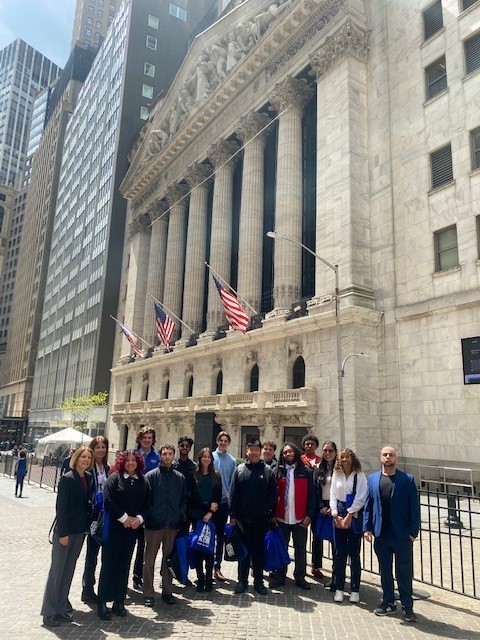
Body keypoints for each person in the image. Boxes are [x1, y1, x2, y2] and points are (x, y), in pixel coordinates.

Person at [363, 445, 420, 623]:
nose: (388, 457)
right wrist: (367, 528)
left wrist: (413, 532)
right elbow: (368, 505)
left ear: (396, 458)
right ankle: (388, 602)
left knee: (404, 572)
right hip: (382, 534)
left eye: (391, 455)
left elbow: (414, 508)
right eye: (385, 455)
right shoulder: (372, 479)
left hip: (402, 535)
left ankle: (407, 606)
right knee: (385, 571)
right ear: (380, 457)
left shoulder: (407, 480)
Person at [40, 446, 94, 628]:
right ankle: (49, 613)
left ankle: (61, 608)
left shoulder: (88, 478)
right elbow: (61, 508)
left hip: (80, 532)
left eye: (88, 457)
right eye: (83, 457)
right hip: (65, 532)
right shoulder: (67, 478)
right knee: (57, 572)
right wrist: (63, 533)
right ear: (76, 458)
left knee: (68, 571)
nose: (85, 460)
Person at [97, 450, 150, 620]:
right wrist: (124, 518)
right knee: (109, 565)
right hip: (115, 528)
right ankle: (102, 602)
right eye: (127, 460)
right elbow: (108, 501)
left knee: (124, 565)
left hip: (132, 530)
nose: (131, 463)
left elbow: (149, 503)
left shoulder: (143, 480)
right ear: (122, 462)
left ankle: (119, 601)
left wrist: (139, 519)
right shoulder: (115, 478)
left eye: (134, 460)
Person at [229, 438, 277, 595]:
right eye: (252, 450)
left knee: (258, 552)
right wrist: (232, 514)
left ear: (260, 452)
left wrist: (266, 510)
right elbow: (233, 493)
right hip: (242, 520)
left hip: (260, 519)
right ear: (247, 452)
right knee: (243, 552)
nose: (255, 452)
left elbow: (273, 494)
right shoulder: (240, 470)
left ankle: (258, 581)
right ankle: (242, 581)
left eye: (257, 449)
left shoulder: (268, 471)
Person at [143, 444, 186, 606]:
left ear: (173, 456)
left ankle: (167, 590)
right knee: (150, 559)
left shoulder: (179, 478)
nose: (167, 456)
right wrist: (151, 514)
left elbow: (183, 500)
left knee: (168, 559)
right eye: (164, 454)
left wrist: (179, 513)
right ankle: (148, 592)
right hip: (154, 524)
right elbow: (146, 500)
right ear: (160, 456)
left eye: (170, 454)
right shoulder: (151, 476)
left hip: (171, 524)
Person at [270, 442, 315, 590]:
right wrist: (272, 514)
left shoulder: (307, 471)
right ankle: (280, 576)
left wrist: (309, 515)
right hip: (281, 518)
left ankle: (300, 577)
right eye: (284, 453)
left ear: (295, 452)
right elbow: (271, 495)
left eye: (290, 452)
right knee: (281, 548)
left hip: (300, 518)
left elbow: (312, 496)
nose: (287, 455)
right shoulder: (277, 471)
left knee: (300, 549)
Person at [330, 448, 367, 604]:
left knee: (354, 555)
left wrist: (350, 515)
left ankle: (355, 589)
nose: (344, 460)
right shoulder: (336, 474)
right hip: (339, 513)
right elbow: (332, 494)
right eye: (342, 457)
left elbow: (362, 496)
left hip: (353, 514)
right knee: (339, 554)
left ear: (352, 458)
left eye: (347, 457)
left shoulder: (359, 475)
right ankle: (339, 588)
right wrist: (334, 514)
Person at [81, 436, 110, 604]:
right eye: (97, 447)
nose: (101, 450)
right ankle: (87, 588)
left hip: (104, 515)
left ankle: (99, 587)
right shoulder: (88, 468)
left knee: (100, 553)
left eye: (103, 447)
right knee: (91, 554)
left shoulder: (107, 468)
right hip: (92, 516)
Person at [189, 447, 221, 592]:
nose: (206, 459)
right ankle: (200, 578)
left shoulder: (216, 476)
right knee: (197, 548)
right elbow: (192, 496)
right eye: (204, 457)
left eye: (209, 457)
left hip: (211, 517)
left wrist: (210, 512)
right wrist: (207, 506)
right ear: (200, 458)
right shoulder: (194, 475)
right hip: (197, 515)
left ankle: (209, 579)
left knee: (209, 550)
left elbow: (217, 497)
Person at [132, 426, 160, 590]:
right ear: (139, 439)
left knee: (143, 545)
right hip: (132, 503)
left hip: (148, 506)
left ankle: (138, 576)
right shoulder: (131, 456)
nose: (147, 440)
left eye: (150, 437)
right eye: (144, 437)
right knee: (128, 544)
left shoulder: (156, 457)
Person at [212, 430, 236, 582]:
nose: (223, 443)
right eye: (221, 440)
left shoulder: (232, 460)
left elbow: (232, 483)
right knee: (206, 534)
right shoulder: (210, 457)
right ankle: (206, 565)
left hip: (223, 502)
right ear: (217, 441)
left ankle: (217, 566)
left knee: (220, 536)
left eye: (225, 441)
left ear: (228, 443)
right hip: (209, 503)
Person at [312, 441, 338, 583]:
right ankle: (316, 566)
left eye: (330, 451)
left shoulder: (340, 468)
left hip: (335, 508)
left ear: (335, 452)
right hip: (321, 508)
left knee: (336, 542)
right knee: (317, 537)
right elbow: (315, 489)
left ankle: (336, 573)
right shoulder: (318, 468)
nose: (328, 453)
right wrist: (321, 506)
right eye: (325, 451)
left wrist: (333, 507)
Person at [174, 435, 197, 536]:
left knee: (185, 535)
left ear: (190, 448)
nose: (184, 448)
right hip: (174, 503)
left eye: (187, 446)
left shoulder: (194, 466)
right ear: (178, 447)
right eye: (182, 445)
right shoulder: (173, 465)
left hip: (189, 505)